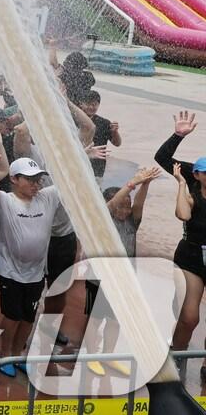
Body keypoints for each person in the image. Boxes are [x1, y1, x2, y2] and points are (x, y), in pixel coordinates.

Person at [0, 151, 59, 378]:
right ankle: (5, 354)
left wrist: (85, 154)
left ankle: (19, 355)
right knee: (12, 316)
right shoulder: (6, 200)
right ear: (14, 179)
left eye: (38, 180)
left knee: (29, 316)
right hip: (9, 271)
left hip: (36, 273)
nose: (36, 185)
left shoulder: (47, 197)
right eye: (30, 180)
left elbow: (67, 178)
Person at [83, 165, 159, 377]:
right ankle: (91, 356)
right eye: (122, 206)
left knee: (116, 320)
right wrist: (131, 183)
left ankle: (108, 356)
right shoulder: (102, 220)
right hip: (98, 279)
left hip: (124, 280)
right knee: (95, 318)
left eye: (128, 207)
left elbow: (139, 203)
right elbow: (113, 203)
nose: (125, 210)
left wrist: (146, 184)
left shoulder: (132, 222)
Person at [154, 111, 206, 354]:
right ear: (197, 174)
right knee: (189, 318)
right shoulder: (191, 180)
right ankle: (177, 354)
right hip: (192, 256)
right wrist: (178, 135)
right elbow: (162, 157)